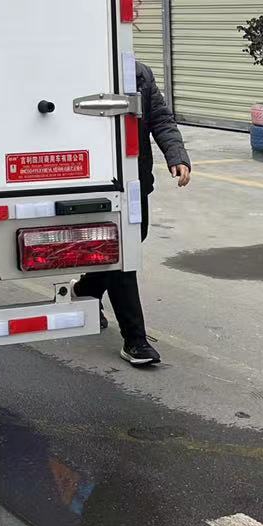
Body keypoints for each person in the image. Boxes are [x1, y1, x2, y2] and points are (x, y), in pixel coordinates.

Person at [74, 60, 190, 367]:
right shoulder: (81, 67)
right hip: (96, 179)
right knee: (121, 253)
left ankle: (86, 290)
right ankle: (135, 340)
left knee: (135, 237)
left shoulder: (139, 74)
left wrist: (177, 156)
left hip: (134, 180)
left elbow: (161, 119)